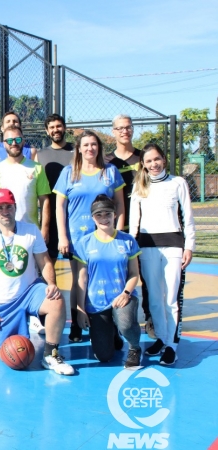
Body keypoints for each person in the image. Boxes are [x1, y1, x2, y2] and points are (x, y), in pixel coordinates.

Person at [0, 189, 74, 375]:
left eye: (8, 207)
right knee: (10, 356)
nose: (5, 211)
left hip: (30, 291)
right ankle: (10, 326)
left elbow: (44, 261)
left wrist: (51, 283)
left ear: (15, 207)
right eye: (0, 207)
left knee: (56, 300)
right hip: (3, 303)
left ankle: (50, 354)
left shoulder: (30, 230)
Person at [53, 130, 125, 343]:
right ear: (79, 149)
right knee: (79, 281)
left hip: (106, 235)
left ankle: (112, 326)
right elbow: (60, 206)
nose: (90, 148)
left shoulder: (110, 172)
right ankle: (76, 322)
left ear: (99, 147)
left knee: (110, 279)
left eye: (93, 144)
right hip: (78, 236)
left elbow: (120, 203)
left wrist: (118, 232)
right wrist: (62, 236)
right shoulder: (69, 172)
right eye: (85, 145)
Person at [129, 144, 195, 366]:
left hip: (174, 246)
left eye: (156, 159)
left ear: (164, 160)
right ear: (143, 165)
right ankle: (163, 339)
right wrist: (133, 252)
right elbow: (133, 224)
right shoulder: (139, 187)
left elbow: (188, 216)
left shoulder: (178, 183)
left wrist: (189, 246)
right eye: (148, 161)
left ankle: (172, 346)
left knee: (170, 299)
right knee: (155, 300)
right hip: (147, 248)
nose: (153, 164)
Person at [0, 125, 51, 335]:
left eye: (17, 139)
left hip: (29, 234)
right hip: (3, 234)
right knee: (2, 276)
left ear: (24, 141)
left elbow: (45, 202)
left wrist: (45, 229)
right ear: (3, 144)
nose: (14, 144)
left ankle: (35, 318)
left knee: (32, 275)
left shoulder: (36, 168)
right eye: (9, 140)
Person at [73, 195, 142, 369]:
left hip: (122, 297)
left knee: (126, 324)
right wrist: (80, 309)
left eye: (107, 214)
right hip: (97, 302)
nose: (104, 218)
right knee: (103, 356)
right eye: (99, 215)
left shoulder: (127, 241)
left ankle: (134, 348)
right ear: (93, 218)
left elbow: (134, 273)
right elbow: (81, 278)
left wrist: (126, 293)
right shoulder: (84, 243)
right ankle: (113, 333)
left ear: (114, 214)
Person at [106, 114, 153, 337]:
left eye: (128, 127)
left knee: (146, 277)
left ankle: (151, 321)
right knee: (117, 277)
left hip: (145, 227)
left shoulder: (144, 158)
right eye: (120, 128)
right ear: (113, 132)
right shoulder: (107, 162)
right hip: (118, 228)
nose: (125, 131)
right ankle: (116, 324)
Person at [34, 113, 74, 261]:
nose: (55, 130)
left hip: (73, 214)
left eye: (58, 126)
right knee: (48, 261)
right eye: (51, 127)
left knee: (79, 264)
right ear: (47, 131)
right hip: (50, 216)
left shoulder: (77, 152)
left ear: (64, 128)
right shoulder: (40, 155)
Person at [0, 111, 34, 178]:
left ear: (20, 127)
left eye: (15, 121)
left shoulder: (31, 151)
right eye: (8, 121)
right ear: (2, 128)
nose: (11, 123)